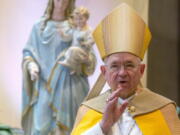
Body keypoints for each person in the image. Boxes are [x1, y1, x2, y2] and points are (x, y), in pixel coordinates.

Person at [71, 3, 180, 135]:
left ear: (141, 70)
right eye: (115, 66)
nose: (122, 73)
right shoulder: (88, 110)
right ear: (104, 72)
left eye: (129, 65)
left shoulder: (164, 109)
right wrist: (103, 127)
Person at [22, 0, 96, 134]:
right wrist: (32, 66)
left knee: (69, 127)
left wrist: (84, 59)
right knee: (41, 127)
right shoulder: (39, 27)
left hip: (69, 86)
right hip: (45, 85)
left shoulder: (76, 26)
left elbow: (89, 55)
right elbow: (28, 52)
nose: (61, 2)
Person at [58, 7, 95, 75]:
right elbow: (68, 37)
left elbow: (92, 40)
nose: (79, 21)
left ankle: (70, 64)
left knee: (72, 50)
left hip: (84, 52)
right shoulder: (76, 29)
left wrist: (86, 43)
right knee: (69, 51)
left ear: (86, 18)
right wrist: (62, 35)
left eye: (81, 19)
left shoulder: (88, 30)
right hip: (75, 51)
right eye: (76, 19)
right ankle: (74, 68)